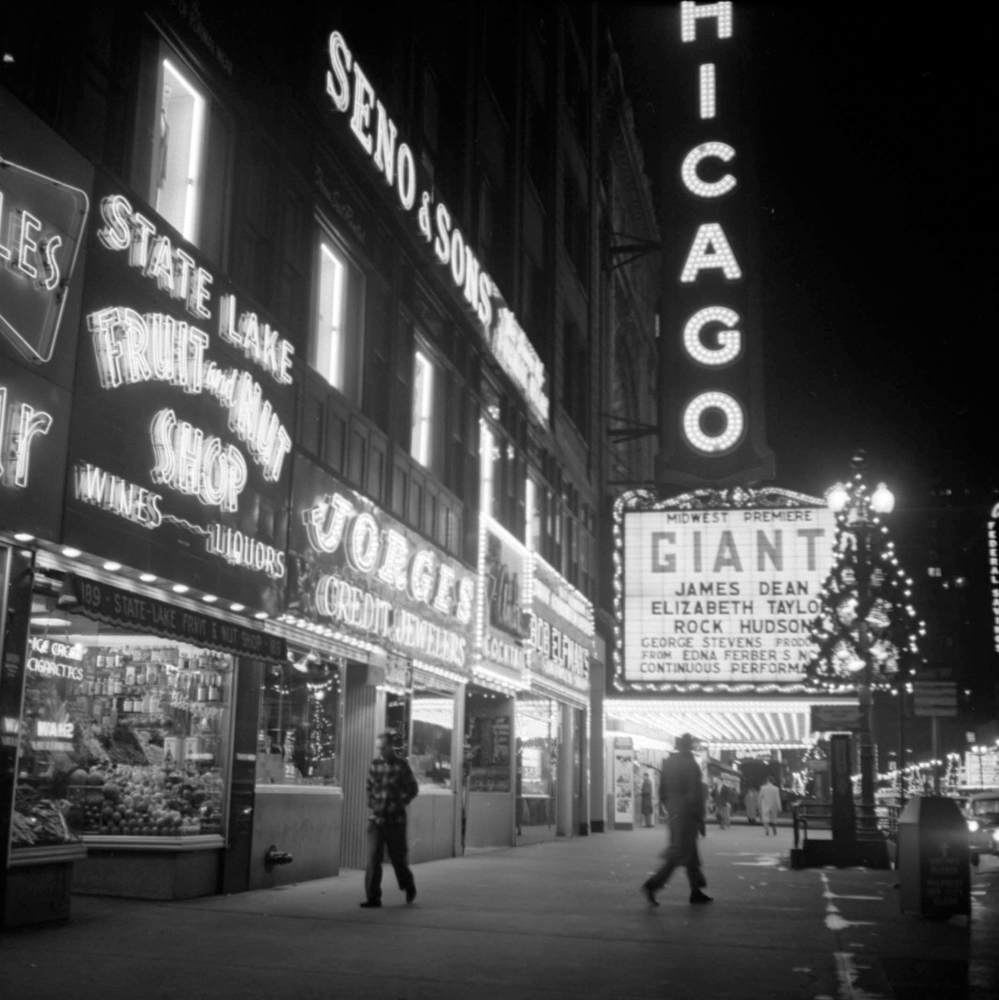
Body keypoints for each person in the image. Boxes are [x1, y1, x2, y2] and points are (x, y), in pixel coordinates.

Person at [641, 734, 712, 905]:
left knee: (689, 852)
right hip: (687, 810)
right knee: (680, 851)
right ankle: (653, 884)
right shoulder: (690, 764)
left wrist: (669, 806)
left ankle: (696, 890)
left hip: (674, 809)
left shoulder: (669, 762)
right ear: (689, 746)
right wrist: (697, 813)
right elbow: (694, 791)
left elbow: (662, 790)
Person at [361, 732, 419, 908]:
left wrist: (399, 803)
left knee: (398, 859)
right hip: (377, 820)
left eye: (383, 747)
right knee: (373, 858)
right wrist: (373, 804)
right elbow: (369, 788)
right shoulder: (375, 764)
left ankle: (408, 885)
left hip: (396, 821)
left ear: (391, 746)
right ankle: (373, 897)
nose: (381, 751)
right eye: (378, 748)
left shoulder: (401, 765)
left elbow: (412, 789)